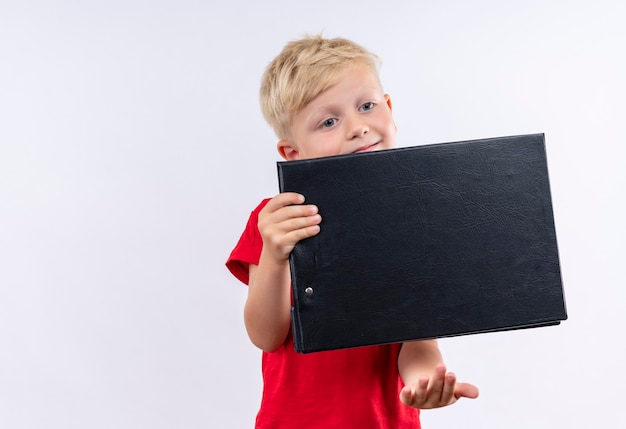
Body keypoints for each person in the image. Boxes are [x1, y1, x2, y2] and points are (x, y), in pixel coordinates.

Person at [226, 34, 479, 429]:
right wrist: (275, 256)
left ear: (390, 109)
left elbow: (419, 344)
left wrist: (426, 382)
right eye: (329, 121)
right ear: (293, 153)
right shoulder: (276, 219)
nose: (358, 128)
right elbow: (265, 335)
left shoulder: (416, 219)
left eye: (367, 106)